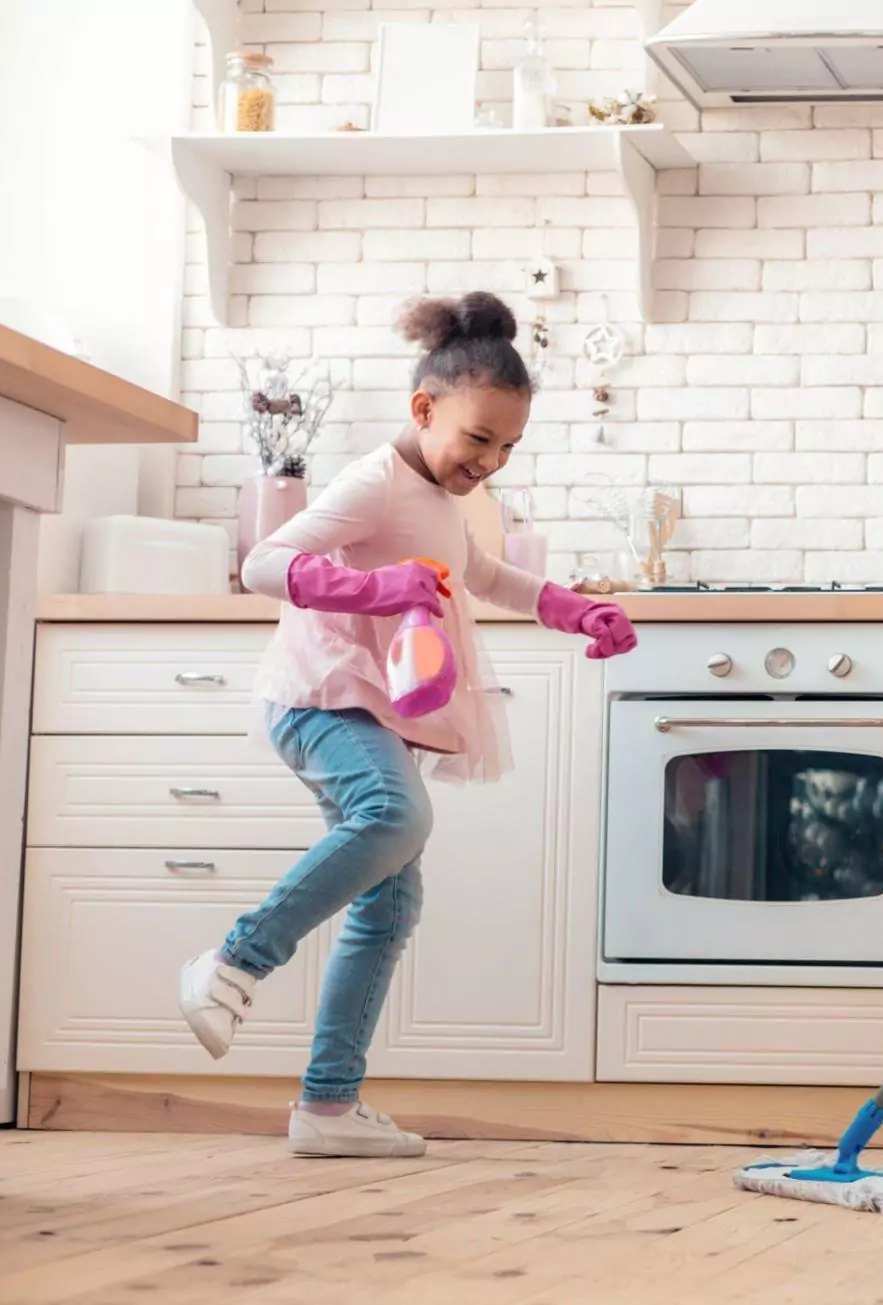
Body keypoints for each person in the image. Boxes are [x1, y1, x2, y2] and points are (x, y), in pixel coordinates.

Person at [177, 292, 638, 1158]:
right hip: (318, 697)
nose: (491, 461)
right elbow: (263, 562)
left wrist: (572, 608)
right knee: (395, 817)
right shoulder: (374, 481)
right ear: (425, 409)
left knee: (391, 904)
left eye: (508, 446)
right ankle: (235, 961)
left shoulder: (443, 494)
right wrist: (373, 588)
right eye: (478, 439)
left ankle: (329, 1106)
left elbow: (482, 574)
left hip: (368, 704)